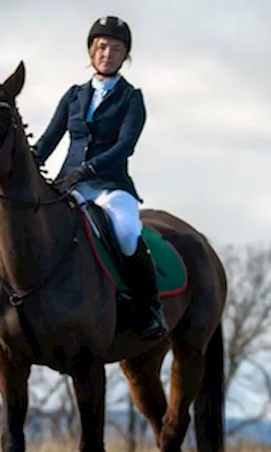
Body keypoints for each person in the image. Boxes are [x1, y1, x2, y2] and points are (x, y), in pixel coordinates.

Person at [33, 15, 166, 340]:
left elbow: (125, 146)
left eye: (116, 48)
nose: (108, 53)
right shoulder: (74, 95)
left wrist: (90, 169)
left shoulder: (132, 98)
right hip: (68, 186)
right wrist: (27, 164)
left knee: (125, 231)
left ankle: (147, 308)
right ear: (92, 51)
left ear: (125, 56)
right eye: (102, 46)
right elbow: (50, 139)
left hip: (110, 186)